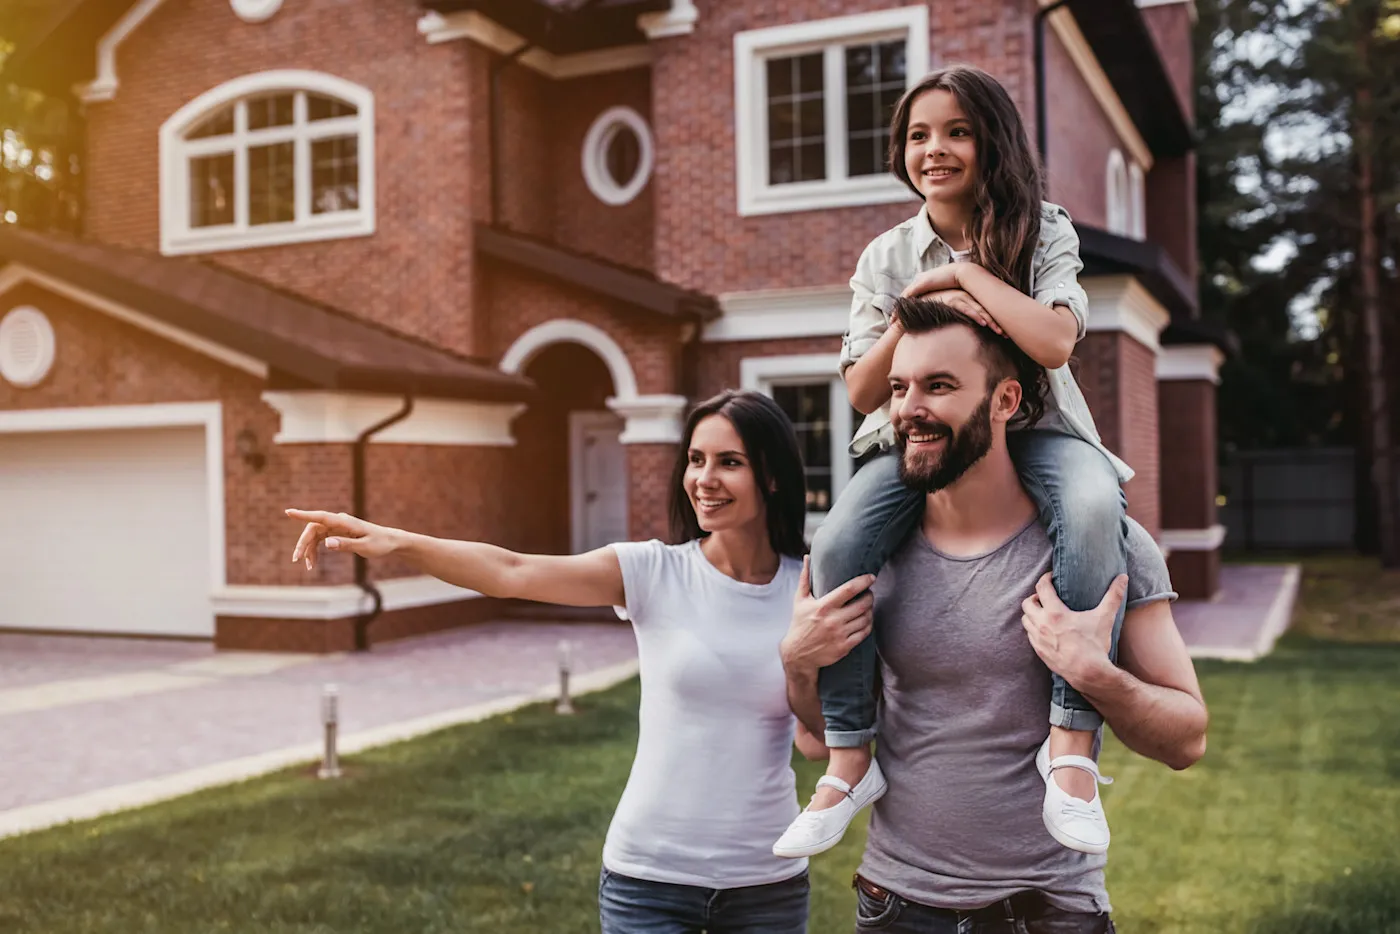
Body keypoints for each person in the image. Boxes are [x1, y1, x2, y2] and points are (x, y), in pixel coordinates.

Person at [286, 389, 876, 934]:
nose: (704, 479)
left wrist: (798, 665)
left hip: (765, 883)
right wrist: (399, 541)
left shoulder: (808, 591)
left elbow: (819, 743)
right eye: (695, 460)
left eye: (729, 462)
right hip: (648, 877)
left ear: (771, 474)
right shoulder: (653, 571)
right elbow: (511, 572)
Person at [775, 64, 1135, 860]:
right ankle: (848, 757)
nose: (934, 149)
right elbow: (868, 388)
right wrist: (919, 311)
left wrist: (965, 274)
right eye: (918, 135)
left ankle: (1069, 748)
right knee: (835, 545)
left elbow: (1053, 342)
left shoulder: (1042, 229)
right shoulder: (886, 254)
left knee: (1089, 508)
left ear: (990, 142)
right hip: (915, 437)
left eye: (956, 131)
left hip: (1040, 429)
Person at [782, 297, 1208, 932]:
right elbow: (817, 741)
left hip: (1049, 912)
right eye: (899, 388)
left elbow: (1186, 740)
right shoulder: (868, 553)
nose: (908, 409)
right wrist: (796, 666)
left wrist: (1097, 675)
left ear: (1006, 401)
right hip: (895, 905)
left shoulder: (1105, 547)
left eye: (940, 386)